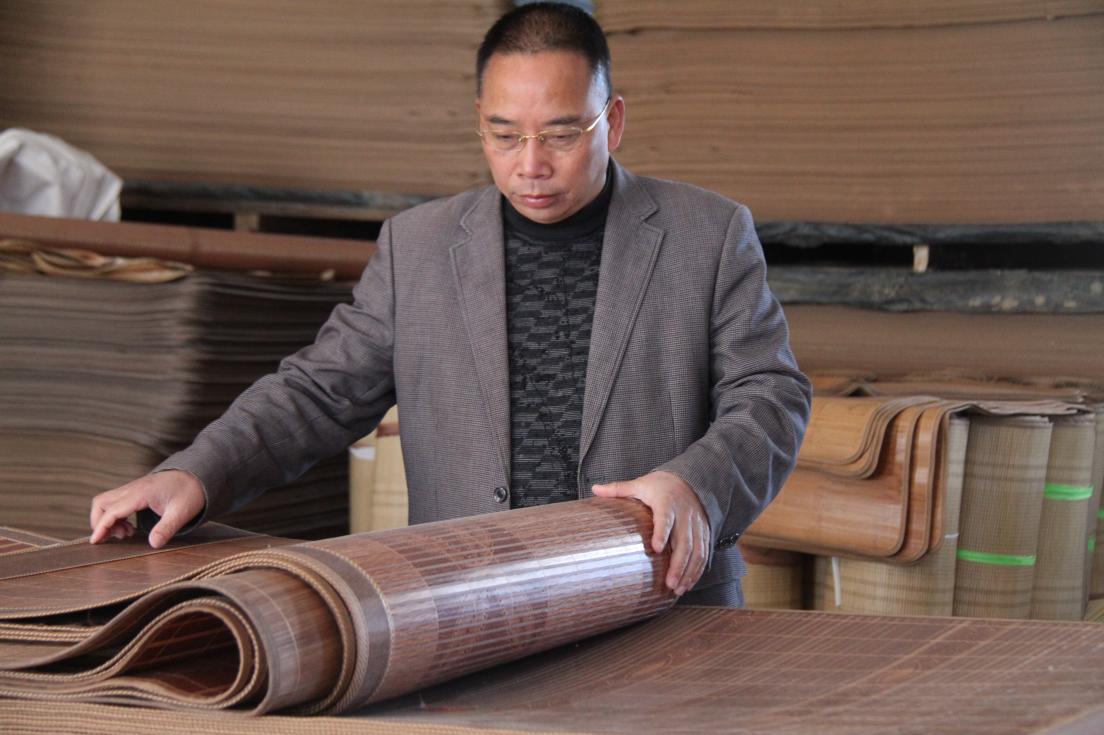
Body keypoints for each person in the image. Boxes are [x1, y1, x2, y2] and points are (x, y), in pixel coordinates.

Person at [89, 2, 811, 606]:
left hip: (659, 599)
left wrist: (697, 485)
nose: (531, 164)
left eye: (563, 134)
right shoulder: (419, 248)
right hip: (463, 608)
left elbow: (771, 395)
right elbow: (318, 391)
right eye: (504, 134)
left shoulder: (706, 234)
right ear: (478, 121)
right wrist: (197, 472)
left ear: (612, 121)